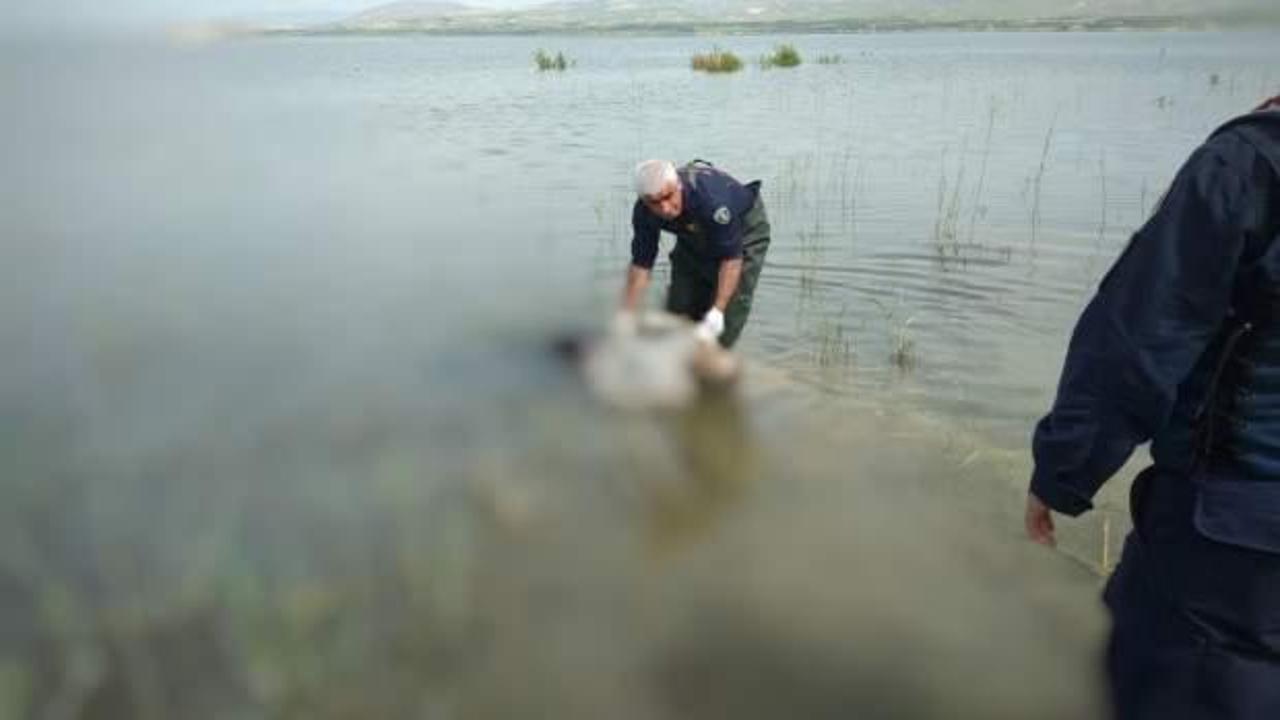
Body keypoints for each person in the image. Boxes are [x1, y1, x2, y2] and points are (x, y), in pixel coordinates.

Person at [1026, 94, 1280, 719]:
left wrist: (1062, 473)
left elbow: (1138, 339)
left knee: (1158, 678)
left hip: (1231, 541)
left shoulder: (1248, 163)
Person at [619, 159, 770, 348]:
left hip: (743, 228)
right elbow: (641, 264)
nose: (665, 208)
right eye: (655, 203)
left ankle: (711, 363)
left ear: (678, 186)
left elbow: (731, 260)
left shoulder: (713, 202)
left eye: (668, 197)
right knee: (679, 307)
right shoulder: (643, 212)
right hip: (692, 228)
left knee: (726, 317)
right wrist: (627, 314)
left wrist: (717, 312)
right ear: (644, 201)